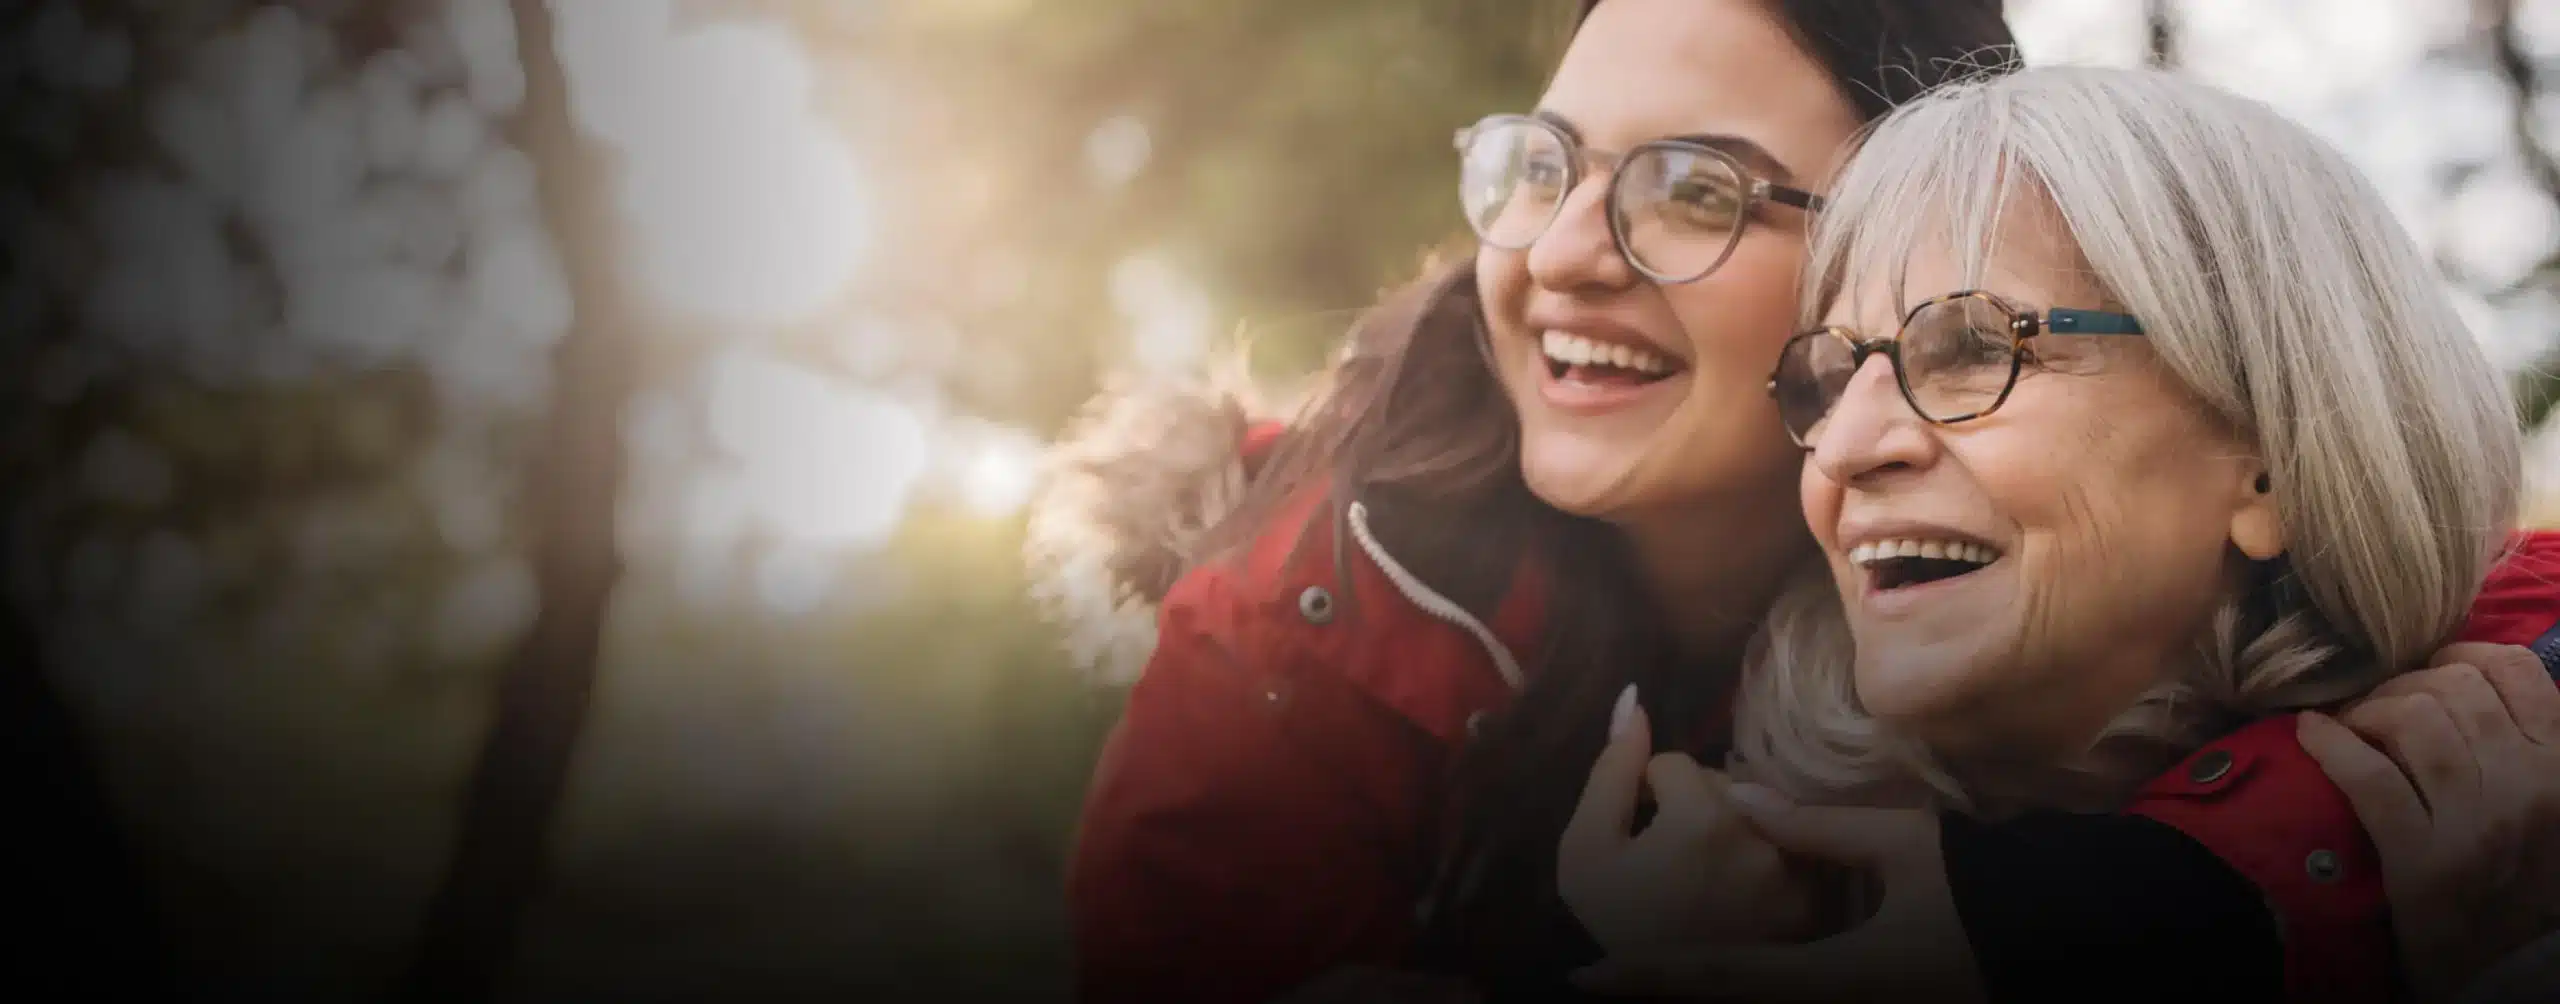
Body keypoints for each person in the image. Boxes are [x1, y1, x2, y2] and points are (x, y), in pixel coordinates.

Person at [1023, 2, 2560, 1001]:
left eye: (1696, 185)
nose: (1562, 251)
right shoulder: (1305, 626)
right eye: (1542, 165)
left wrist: (2156, 902)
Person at [1559, 65, 2552, 1004]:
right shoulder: (1694, 844)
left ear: (2271, 459)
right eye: (1832, 372)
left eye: (1971, 346)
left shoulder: (2522, 789)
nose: (1845, 447)